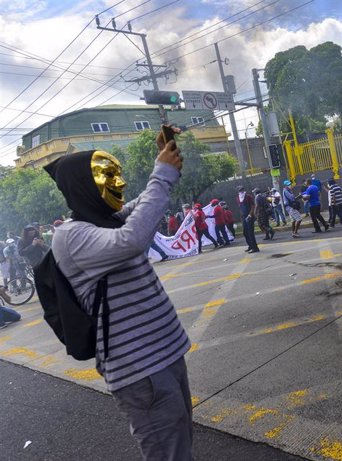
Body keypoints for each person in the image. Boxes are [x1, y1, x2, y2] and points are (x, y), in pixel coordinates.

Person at [44, 138, 193, 459]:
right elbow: (132, 239)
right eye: (108, 177)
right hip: (140, 370)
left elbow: (141, 208)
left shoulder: (105, 221)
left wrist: (165, 164)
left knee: (181, 449)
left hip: (165, 356)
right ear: (84, 186)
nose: (120, 183)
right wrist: (161, 173)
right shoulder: (70, 235)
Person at [237, 185, 259, 253]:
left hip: (249, 216)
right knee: (245, 232)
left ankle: (255, 248)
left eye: (242, 190)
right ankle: (250, 246)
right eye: (240, 190)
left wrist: (250, 215)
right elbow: (240, 207)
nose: (241, 191)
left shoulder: (248, 196)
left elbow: (253, 206)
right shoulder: (238, 198)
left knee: (250, 233)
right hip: (243, 217)